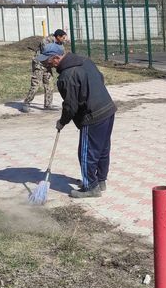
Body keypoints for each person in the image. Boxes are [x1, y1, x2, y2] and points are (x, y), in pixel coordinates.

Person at [37, 45, 117, 199]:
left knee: (86, 153)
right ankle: (100, 181)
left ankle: (91, 187)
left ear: (56, 58)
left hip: (93, 116)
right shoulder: (84, 60)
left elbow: (70, 106)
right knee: (102, 149)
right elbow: (100, 78)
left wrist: (62, 122)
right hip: (108, 109)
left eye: (47, 61)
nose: (46, 65)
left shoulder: (67, 76)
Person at [22, 29, 69, 113]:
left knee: (49, 84)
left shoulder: (60, 44)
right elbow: (47, 51)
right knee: (36, 84)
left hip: (48, 65)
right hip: (39, 64)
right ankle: (26, 103)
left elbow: (61, 54)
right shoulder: (47, 40)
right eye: (63, 37)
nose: (64, 39)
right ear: (58, 37)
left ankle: (48, 105)